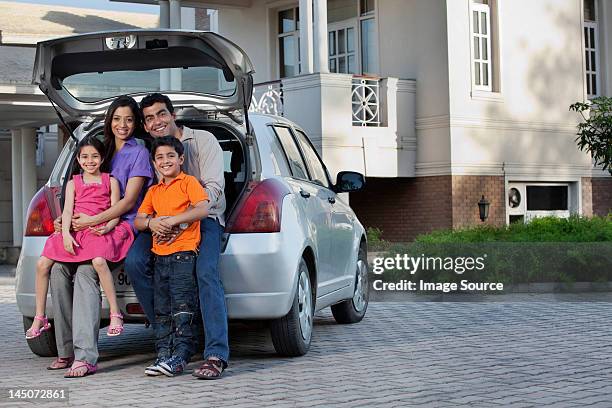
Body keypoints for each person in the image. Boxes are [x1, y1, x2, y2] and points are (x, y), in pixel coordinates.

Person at [48, 95, 154, 377]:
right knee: (58, 271)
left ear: (137, 124)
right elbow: (78, 194)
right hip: (85, 229)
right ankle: (66, 351)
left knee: (84, 273)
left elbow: (129, 202)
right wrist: (65, 221)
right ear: (110, 121)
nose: (123, 125)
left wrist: (93, 221)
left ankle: (85, 357)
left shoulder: (139, 153)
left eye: (129, 119)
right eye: (117, 119)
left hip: (120, 227)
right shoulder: (100, 150)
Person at [125, 93, 229, 379]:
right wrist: (155, 223)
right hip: (161, 222)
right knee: (135, 261)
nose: (156, 122)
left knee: (206, 272)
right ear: (145, 126)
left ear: (172, 115)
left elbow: (213, 193)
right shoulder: (151, 151)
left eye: (161, 114)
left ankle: (215, 353)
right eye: (149, 119)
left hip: (203, 218)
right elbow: (144, 209)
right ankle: (173, 334)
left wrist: (180, 218)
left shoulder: (204, 141)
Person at [26, 136, 132, 343]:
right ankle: (40, 316)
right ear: (78, 158)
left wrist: (107, 228)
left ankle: (114, 313)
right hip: (74, 231)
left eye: (94, 156)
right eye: (85, 157)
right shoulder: (74, 182)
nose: (89, 161)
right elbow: (67, 211)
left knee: (99, 262)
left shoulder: (110, 181)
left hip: (99, 230)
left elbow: (115, 211)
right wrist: (65, 234)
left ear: (102, 159)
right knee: (41, 264)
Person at [135, 136, 209, 377]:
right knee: (162, 309)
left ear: (181, 159)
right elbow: (139, 221)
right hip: (160, 257)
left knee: (183, 306)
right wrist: (152, 222)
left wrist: (173, 221)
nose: (165, 161)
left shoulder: (189, 182)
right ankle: (163, 355)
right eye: (159, 157)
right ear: (154, 163)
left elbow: (202, 209)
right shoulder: (153, 191)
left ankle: (181, 356)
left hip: (183, 256)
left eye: (170, 156)